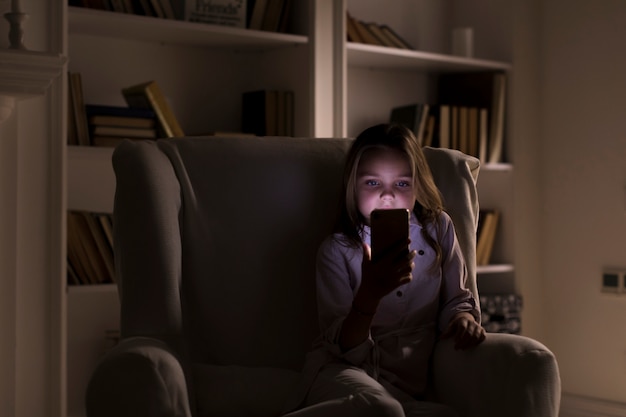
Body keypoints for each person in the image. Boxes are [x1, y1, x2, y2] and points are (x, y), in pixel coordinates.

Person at [284, 123, 486, 417]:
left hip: (406, 383)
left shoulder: (438, 229)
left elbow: (456, 299)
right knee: (382, 409)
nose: (388, 196)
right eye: (373, 183)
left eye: (402, 184)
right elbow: (345, 348)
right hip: (344, 371)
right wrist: (370, 294)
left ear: (418, 185)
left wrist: (463, 318)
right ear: (353, 186)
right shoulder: (337, 250)